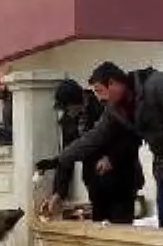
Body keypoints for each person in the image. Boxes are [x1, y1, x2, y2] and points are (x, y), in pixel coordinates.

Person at [41, 62, 163, 230]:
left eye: (100, 90)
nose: (99, 97)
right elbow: (94, 137)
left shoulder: (158, 85)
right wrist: (60, 159)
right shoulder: (114, 109)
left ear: (113, 83)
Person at [35, 79, 143, 224]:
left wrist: (111, 158)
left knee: (120, 227)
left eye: (68, 108)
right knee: (99, 227)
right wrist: (59, 192)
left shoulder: (103, 107)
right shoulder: (69, 121)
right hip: (95, 181)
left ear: (77, 102)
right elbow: (67, 155)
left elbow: (129, 138)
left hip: (122, 178)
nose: (67, 112)